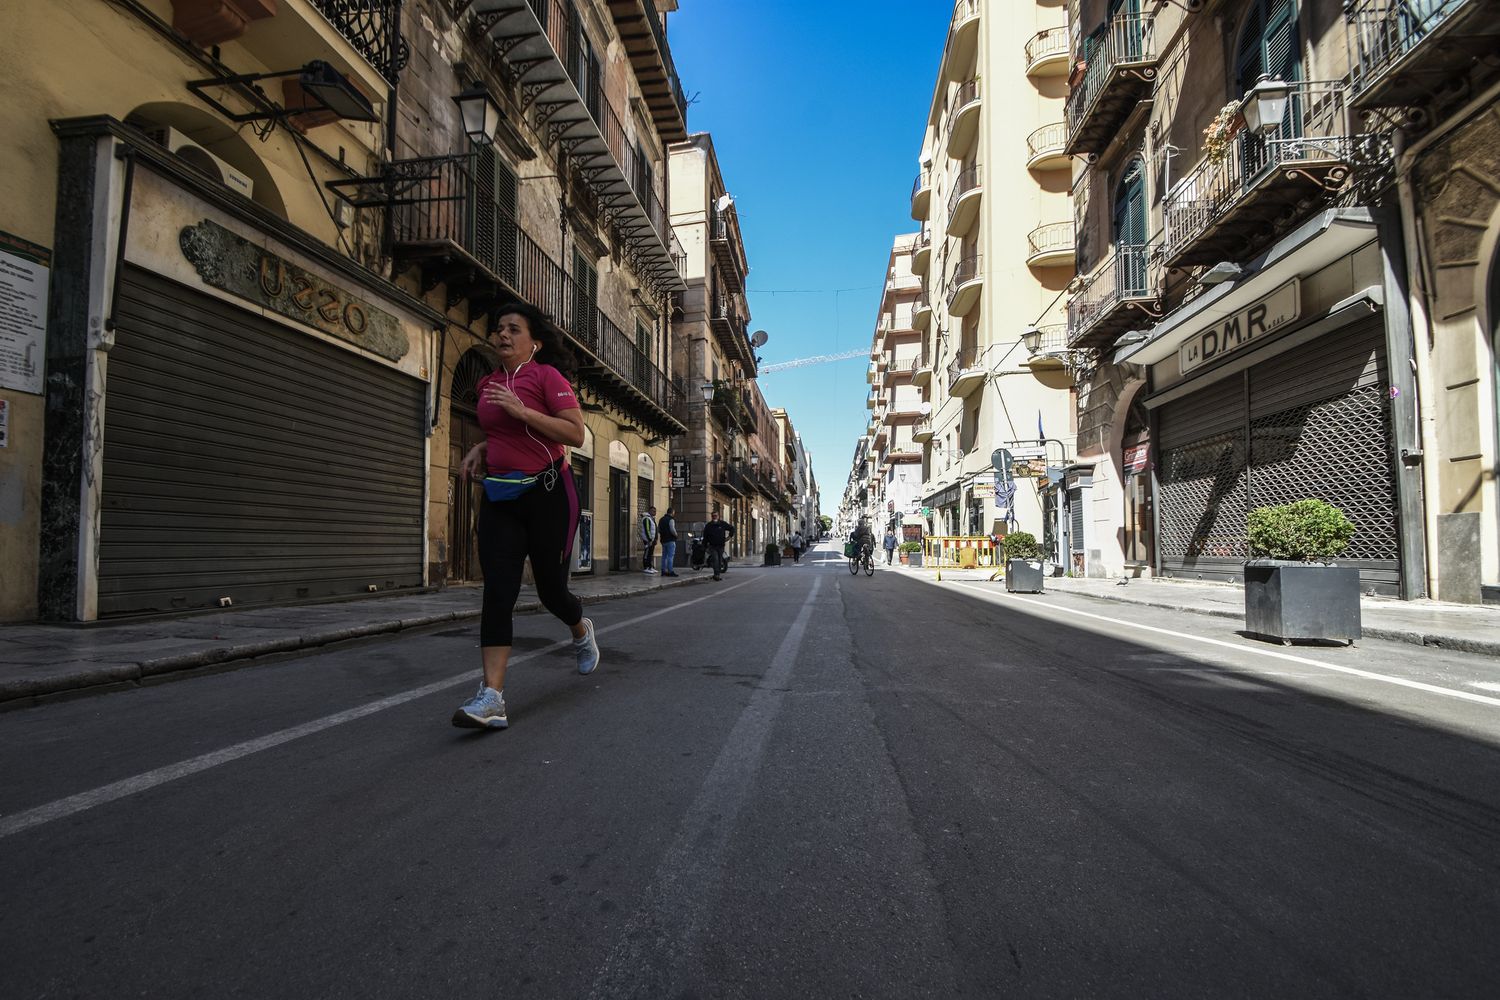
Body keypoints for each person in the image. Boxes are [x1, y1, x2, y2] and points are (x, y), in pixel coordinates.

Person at [452, 302, 599, 731]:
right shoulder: (488, 383)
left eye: (513, 328)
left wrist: (523, 411)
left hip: (548, 493)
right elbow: (500, 431)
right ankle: (492, 697)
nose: (503, 334)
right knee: (499, 591)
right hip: (501, 497)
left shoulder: (546, 377)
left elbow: (574, 433)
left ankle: (580, 629)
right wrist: (481, 447)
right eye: (499, 327)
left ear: (534, 342)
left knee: (552, 591)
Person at [702, 506, 735, 581]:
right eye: (713, 516)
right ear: (711, 517)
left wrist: (729, 537)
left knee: (720, 560)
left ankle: (717, 574)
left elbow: (732, 528)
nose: (714, 517)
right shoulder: (708, 526)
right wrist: (704, 546)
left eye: (716, 515)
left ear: (718, 516)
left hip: (720, 546)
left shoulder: (722, 524)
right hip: (712, 546)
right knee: (715, 559)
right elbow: (705, 536)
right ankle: (716, 575)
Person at [658, 506, 679, 577]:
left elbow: (659, 529)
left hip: (663, 540)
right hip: (670, 540)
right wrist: (676, 535)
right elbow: (672, 529)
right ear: (672, 512)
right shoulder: (671, 519)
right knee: (670, 556)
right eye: (674, 513)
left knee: (664, 556)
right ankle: (670, 571)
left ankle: (663, 571)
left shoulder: (661, 519)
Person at [640, 504, 658, 574]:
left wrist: (655, 539)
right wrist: (650, 539)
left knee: (650, 553)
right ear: (649, 511)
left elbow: (654, 529)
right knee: (647, 553)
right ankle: (646, 567)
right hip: (648, 540)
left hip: (652, 540)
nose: (654, 512)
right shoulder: (646, 518)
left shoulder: (652, 519)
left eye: (655, 511)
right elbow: (647, 530)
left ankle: (650, 567)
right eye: (653, 511)